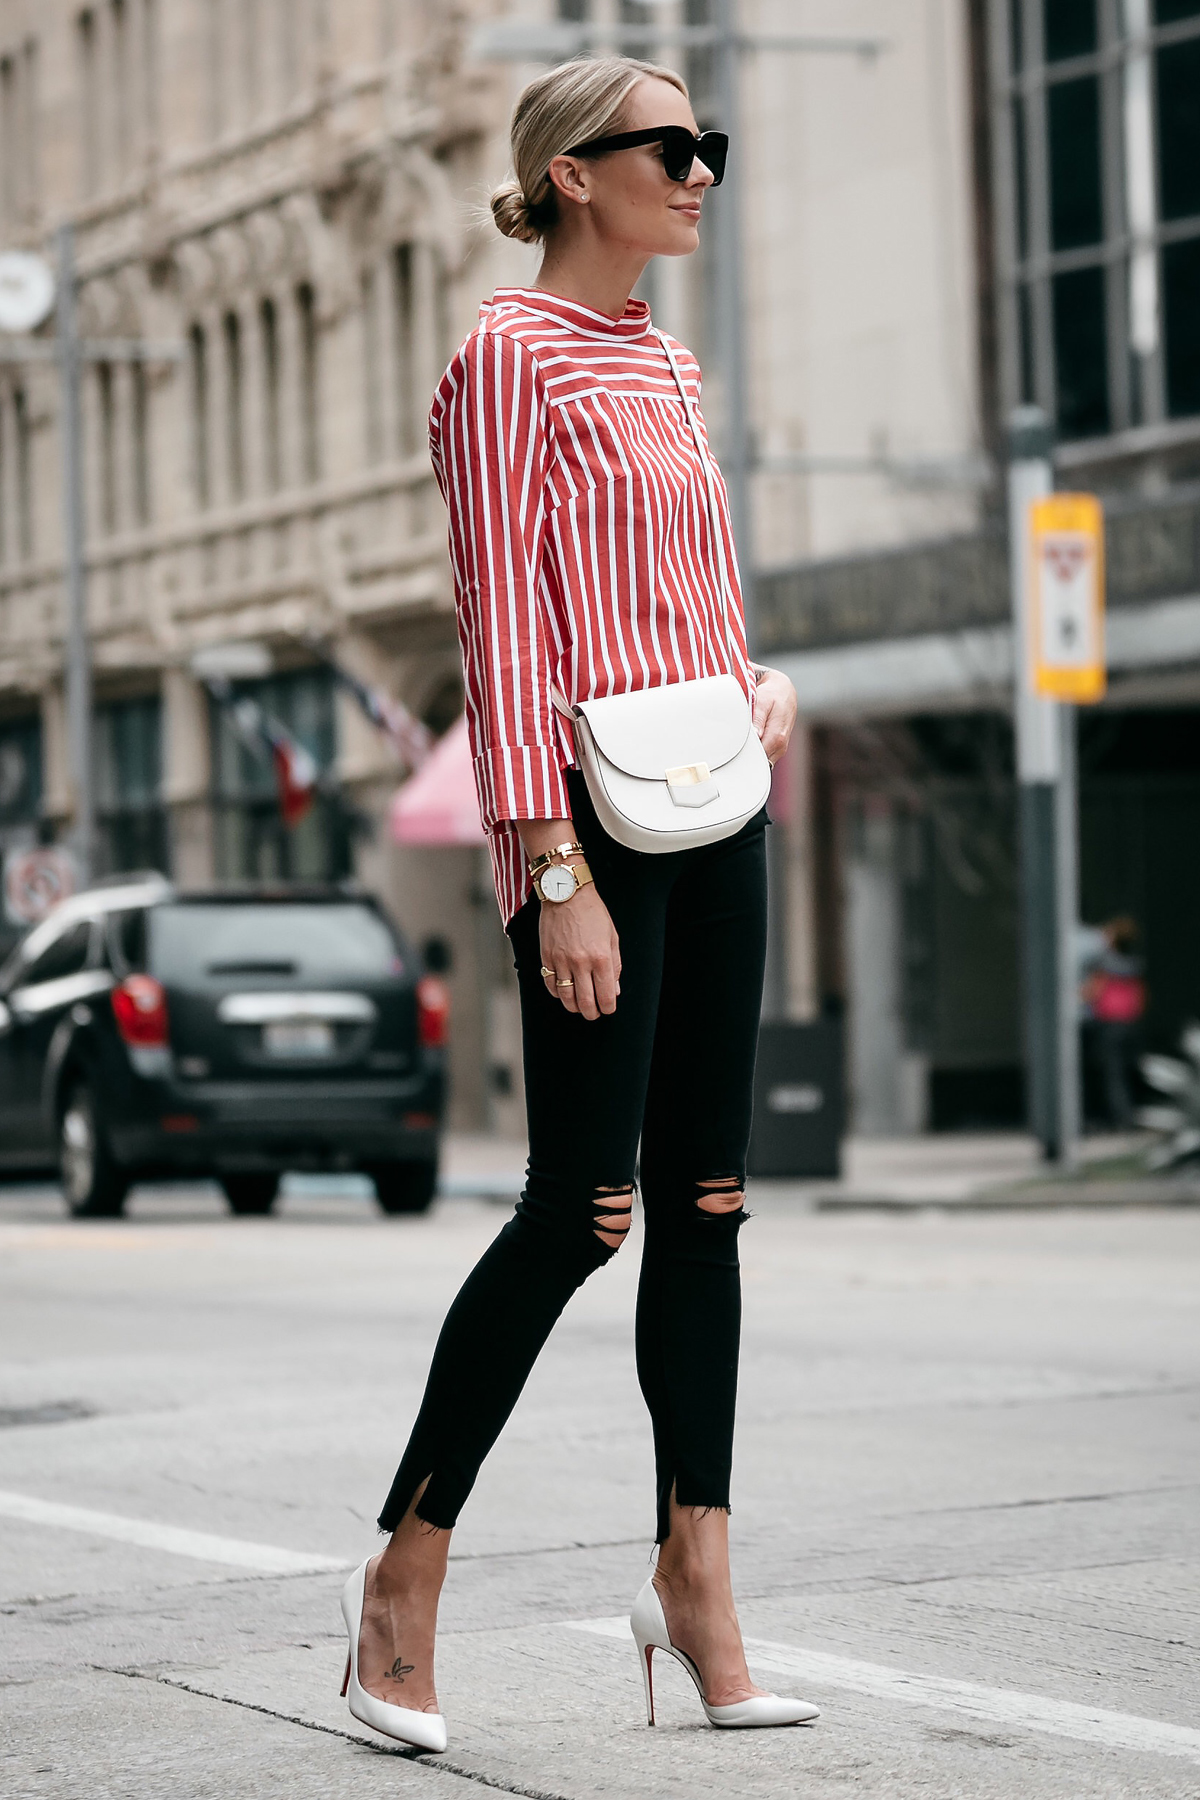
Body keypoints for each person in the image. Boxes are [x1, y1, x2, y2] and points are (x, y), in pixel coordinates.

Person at [338, 55, 816, 1751]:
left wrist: (754, 681)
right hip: (588, 831)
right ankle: (402, 1573)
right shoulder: (503, 360)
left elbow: (700, 575)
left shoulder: (669, 361)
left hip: (717, 799)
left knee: (708, 1201)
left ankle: (697, 1581)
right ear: (571, 173)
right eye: (671, 147)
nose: (701, 169)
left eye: (711, 144)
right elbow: (506, 628)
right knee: (578, 1209)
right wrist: (551, 872)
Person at [1079, 916, 1146, 1128]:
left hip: (1108, 1025)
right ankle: (1131, 1113)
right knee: (1127, 1070)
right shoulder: (1135, 964)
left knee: (1110, 1074)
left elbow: (1092, 992)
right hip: (1129, 1023)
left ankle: (1118, 1118)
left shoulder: (1103, 964)